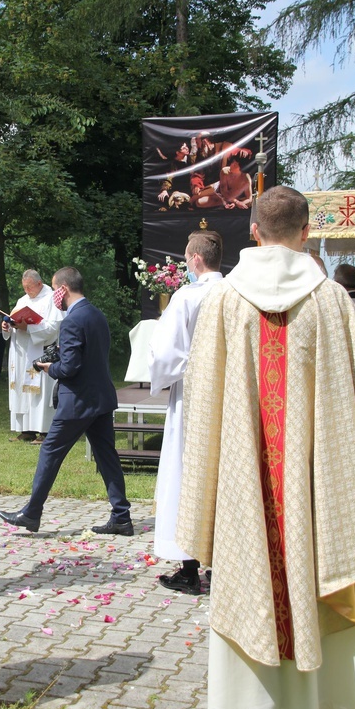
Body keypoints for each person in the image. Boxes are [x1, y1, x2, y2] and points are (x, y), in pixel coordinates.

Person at [176, 185, 355, 709]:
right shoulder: (332, 299)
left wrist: (202, 489)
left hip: (243, 479)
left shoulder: (224, 301)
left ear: (252, 230)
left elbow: (203, 405)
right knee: (313, 557)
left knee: (249, 566)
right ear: (306, 233)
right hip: (312, 482)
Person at [0, 266, 133, 535]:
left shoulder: (72, 320)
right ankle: (121, 516)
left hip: (78, 401)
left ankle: (32, 513)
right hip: (101, 398)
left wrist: (49, 367)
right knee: (107, 457)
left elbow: (70, 367)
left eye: (54, 289)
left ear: (63, 289)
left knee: (50, 451)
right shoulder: (96, 314)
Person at [148, 231, 223, 594]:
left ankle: (189, 568)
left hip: (193, 395)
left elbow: (166, 354)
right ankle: (223, 566)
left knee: (185, 473)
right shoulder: (234, 292)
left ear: (195, 259)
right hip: (229, 395)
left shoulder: (187, 297)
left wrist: (158, 378)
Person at [4, 269, 64, 444]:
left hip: (40, 350)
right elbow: (14, 321)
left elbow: (53, 327)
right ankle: (26, 430)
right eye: (24, 288)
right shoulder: (22, 301)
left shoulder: (51, 299)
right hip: (21, 353)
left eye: (29, 288)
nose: (26, 292)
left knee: (40, 393)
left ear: (39, 284)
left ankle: (45, 432)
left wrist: (27, 328)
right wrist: (8, 326)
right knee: (22, 391)